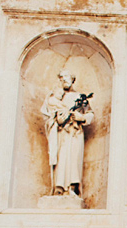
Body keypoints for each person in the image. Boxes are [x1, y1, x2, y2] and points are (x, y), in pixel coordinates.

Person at [40, 69, 94, 197]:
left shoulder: (80, 98)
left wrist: (81, 117)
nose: (63, 81)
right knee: (60, 158)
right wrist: (56, 120)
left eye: (66, 78)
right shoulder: (54, 97)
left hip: (75, 133)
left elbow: (90, 114)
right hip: (60, 134)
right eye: (61, 79)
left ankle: (73, 187)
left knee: (74, 158)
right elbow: (46, 115)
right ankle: (59, 187)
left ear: (72, 80)